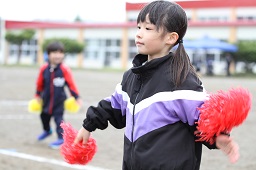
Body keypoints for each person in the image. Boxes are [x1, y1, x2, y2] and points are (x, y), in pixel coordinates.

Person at [74, 1, 239, 169]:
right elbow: (113, 106)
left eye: (148, 29)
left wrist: (219, 136)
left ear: (171, 37)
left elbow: (204, 119)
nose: (139, 34)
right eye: (138, 27)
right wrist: (88, 125)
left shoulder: (182, 81)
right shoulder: (131, 76)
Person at [35, 41, 82, 149]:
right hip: (46, 100)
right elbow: (39, 83)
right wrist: (37, 95)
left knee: (59, 120)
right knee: (43, 116)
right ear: (48, 54)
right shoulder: (44, 69)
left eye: (60, 53)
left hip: (59, 101)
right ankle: (47, 130)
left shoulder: (64, 69)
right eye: (54, 52)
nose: (58, 55)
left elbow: (71, 84)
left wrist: (77, 97)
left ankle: (61, 138)